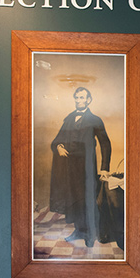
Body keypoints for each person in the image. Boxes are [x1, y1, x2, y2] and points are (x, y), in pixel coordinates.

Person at [49, 87, 112, 247]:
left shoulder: (95, 120)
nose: (79, 100)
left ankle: (90, 234)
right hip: (70, 168)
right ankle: (78, 230)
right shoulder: (69, 119)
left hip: (87, 166)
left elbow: (105, 143)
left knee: (88, 199)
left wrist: (104, 167)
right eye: (76, 97)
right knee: (74, 200)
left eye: (82, 97)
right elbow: (56, 140)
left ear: (88, 100)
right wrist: (58, 147)